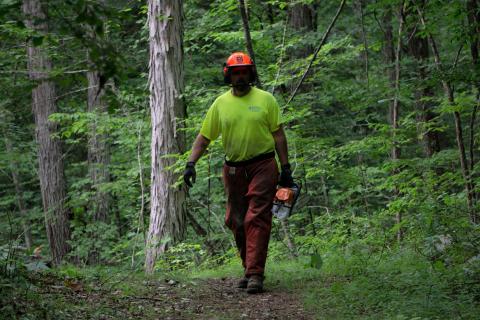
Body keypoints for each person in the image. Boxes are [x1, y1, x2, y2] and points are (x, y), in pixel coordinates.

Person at [183, 52, 294, 294]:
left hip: (263, 165)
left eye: (244, 72)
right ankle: (248, 268)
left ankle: (255, 274)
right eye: (236, 73)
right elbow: (204, 137)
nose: (241, 77)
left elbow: (278, 135)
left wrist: (285, 168)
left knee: (257, 217)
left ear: (251, 73)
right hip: (233, 169)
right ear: (229, 75)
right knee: (236, 220)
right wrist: (191, 163)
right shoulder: (220, 104)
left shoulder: (266, 100)